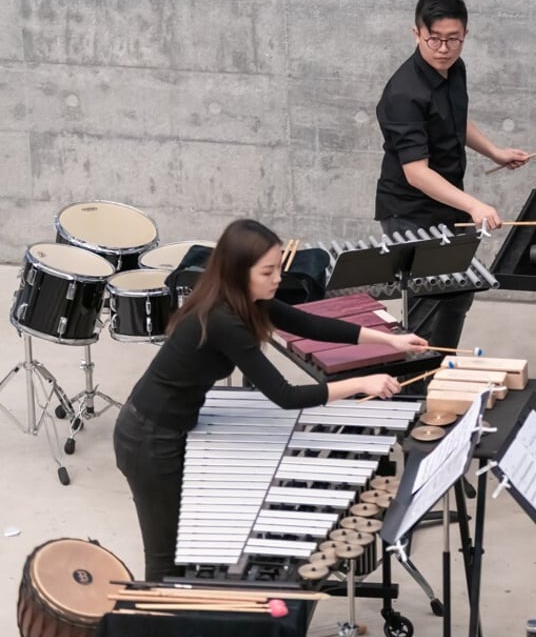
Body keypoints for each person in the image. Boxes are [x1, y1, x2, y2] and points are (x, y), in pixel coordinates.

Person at [113, 219, 428, 582]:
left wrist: (390, 340)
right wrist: (362, 383)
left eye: (279, 267)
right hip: (149, 439)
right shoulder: (223, 320)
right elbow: (285, 395)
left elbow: (310, 325)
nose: (278, 278)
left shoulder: (247, 300)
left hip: (174, 425)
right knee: (166, 559)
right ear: (237, 273)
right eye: (268, 271)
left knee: (192, 544)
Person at [375, 0, 529, 349]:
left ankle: (442, 371)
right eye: (434, 39)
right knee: (425, 310)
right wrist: (474, 205)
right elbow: (416, 172)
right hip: (410, 212)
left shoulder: (454, 67)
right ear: (417, 34)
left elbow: (454, 119)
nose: (443, 48)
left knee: (458, 294)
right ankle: (415, 394)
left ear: (465, 35)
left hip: (446, 203)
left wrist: (494, 151)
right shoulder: (403, 94)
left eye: (453, 39)